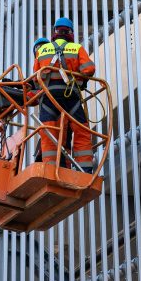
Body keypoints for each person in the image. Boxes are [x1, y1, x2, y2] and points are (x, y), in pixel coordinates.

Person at [33, 17, 96, 173]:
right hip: (71, 98)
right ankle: (85, 171)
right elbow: (89, 69)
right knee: (81, 132)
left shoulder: (42, 51)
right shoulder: (77, 48)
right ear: (70, 33)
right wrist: (79, 79)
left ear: (54, 33)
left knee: (49, 135)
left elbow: (35, 78)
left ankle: (50, 171)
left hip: (48, 98)